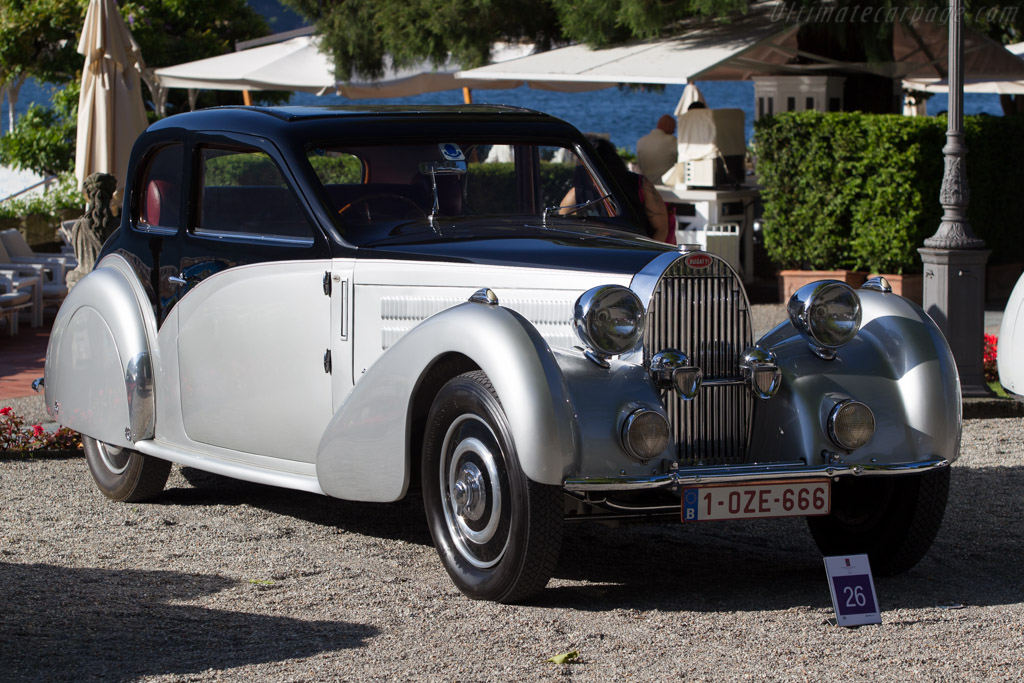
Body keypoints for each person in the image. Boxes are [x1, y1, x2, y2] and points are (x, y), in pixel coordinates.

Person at [562, 136, 671, 243]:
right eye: (587, 170)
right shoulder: (578, 192)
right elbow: (561, 226)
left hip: (637, 251)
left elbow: (661, 228)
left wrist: (647, 255)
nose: (593, 177)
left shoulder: (639, 185)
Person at [636, 114, 677, 184]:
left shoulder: (641, 141)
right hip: (665, 185)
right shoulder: (671, 140)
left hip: (646, 185)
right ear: (668, 126)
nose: (673, 132)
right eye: (673, 128)